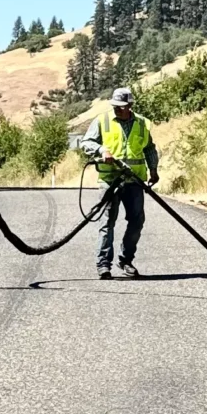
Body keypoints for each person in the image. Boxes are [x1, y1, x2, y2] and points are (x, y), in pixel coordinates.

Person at [79, 86, 158, 278]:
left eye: (121, 106)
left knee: (137, 221)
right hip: (110, 180)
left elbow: (149, 148)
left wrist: (153, 169)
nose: (117, 109)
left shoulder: (142, 124)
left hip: (134, 181)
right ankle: (103, 265)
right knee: (107, 222)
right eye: (115, 105)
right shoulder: (102, 120)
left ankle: (125, 260)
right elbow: (86, 142)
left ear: (130, 105)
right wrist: (101, 151)